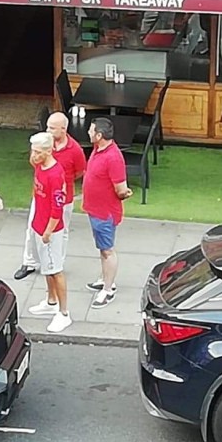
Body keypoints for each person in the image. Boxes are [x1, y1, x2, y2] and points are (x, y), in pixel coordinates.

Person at [15, 111, 85, 280]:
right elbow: (34, 161)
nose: (48, 130)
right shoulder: (43, 144)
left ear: (64, 129)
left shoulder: (75, 150)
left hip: (63, 198)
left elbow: (80, 171)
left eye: (52, 128)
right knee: (32, 228)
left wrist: (61, 183)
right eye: (48, 126)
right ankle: (29, 262)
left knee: (62, 231)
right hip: (40, 196)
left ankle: (56, 264)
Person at [82, 117, 133, 308]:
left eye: (91, 130)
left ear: (99, 135)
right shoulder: (98, 149)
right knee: (102, 249)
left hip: (105, 213)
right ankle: (105, 279)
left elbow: (121, 189)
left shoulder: (113, 157)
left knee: (107, 250)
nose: (88, 133)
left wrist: (125, 193)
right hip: (95, 210)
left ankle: (108, 288)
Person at [26, 132, 71, 333]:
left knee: (55, 269)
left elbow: (57, 207)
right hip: (38, 224)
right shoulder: (39, 164)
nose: (33, 155)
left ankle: (64, 313)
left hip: (50, 230)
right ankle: (51, 301)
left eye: (37, 152)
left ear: (47, 151)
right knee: (46, 267)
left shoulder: (56, 174)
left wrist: (48, 231)